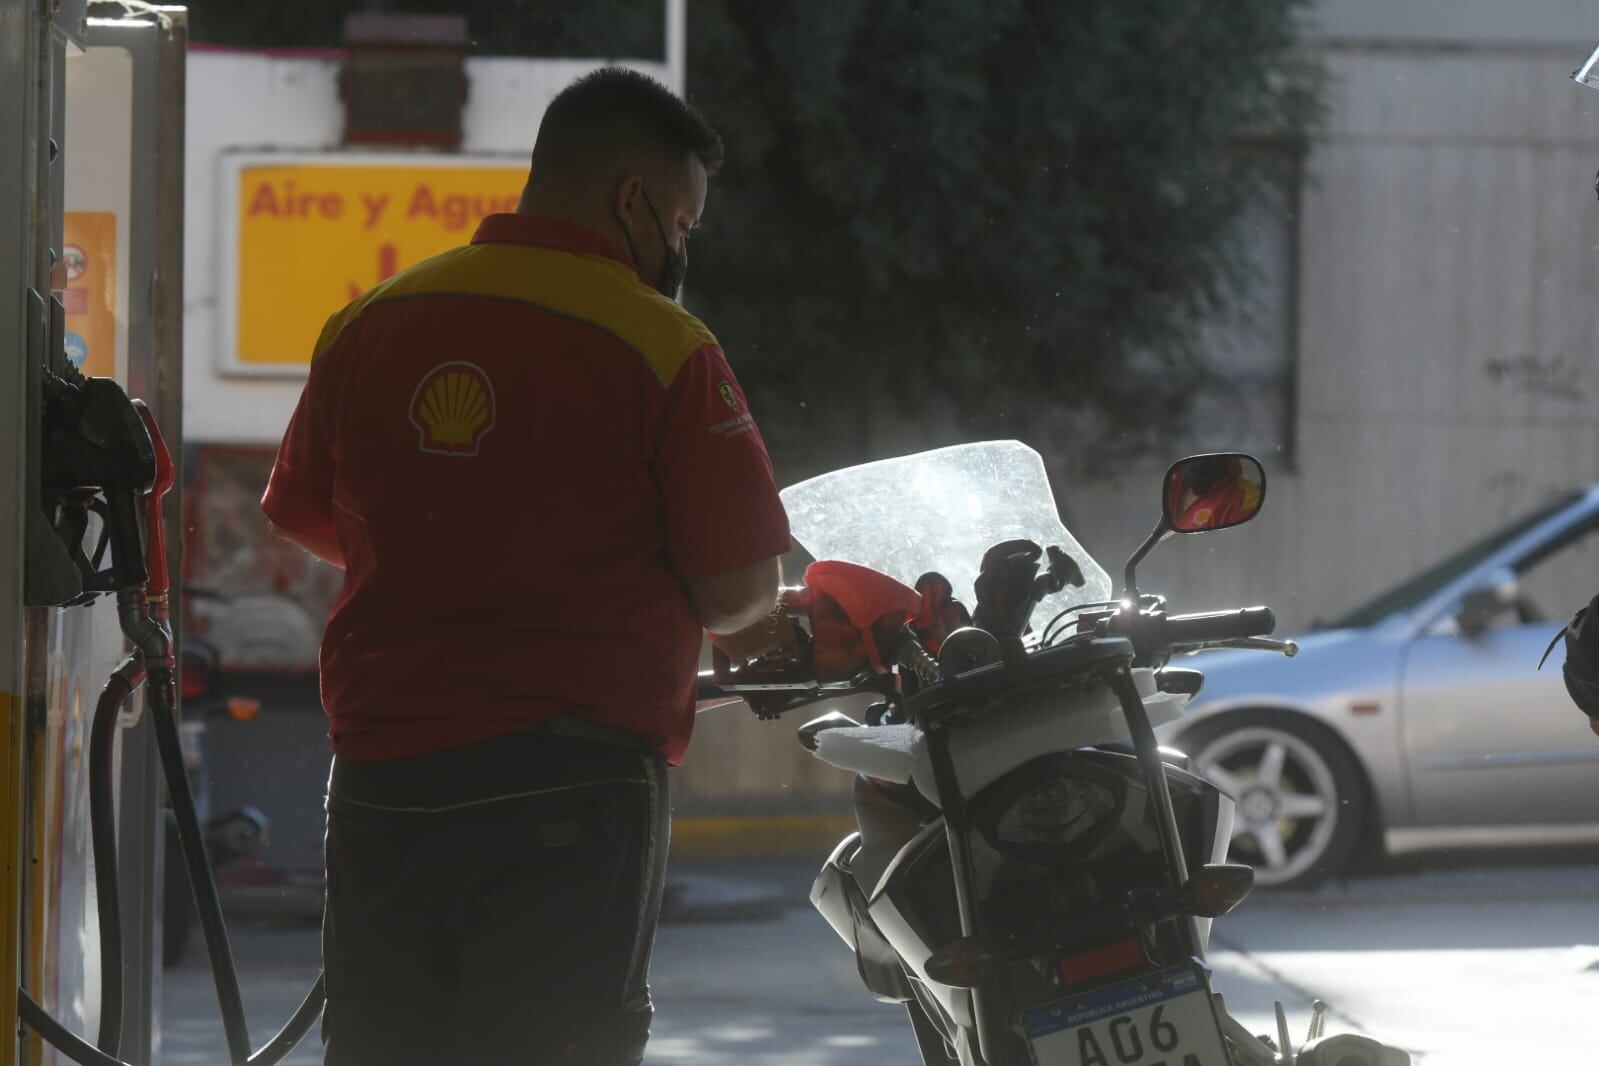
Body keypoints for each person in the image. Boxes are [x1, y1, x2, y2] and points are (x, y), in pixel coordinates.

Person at [261, 67, 793, 1065]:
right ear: (631, 199)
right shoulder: (664, 345)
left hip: (384, 775)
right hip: (573, 780)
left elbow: (302, 514)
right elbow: (735, 595)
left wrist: (447, 558)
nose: (680, 250)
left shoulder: (374, 318)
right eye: (682, 223)